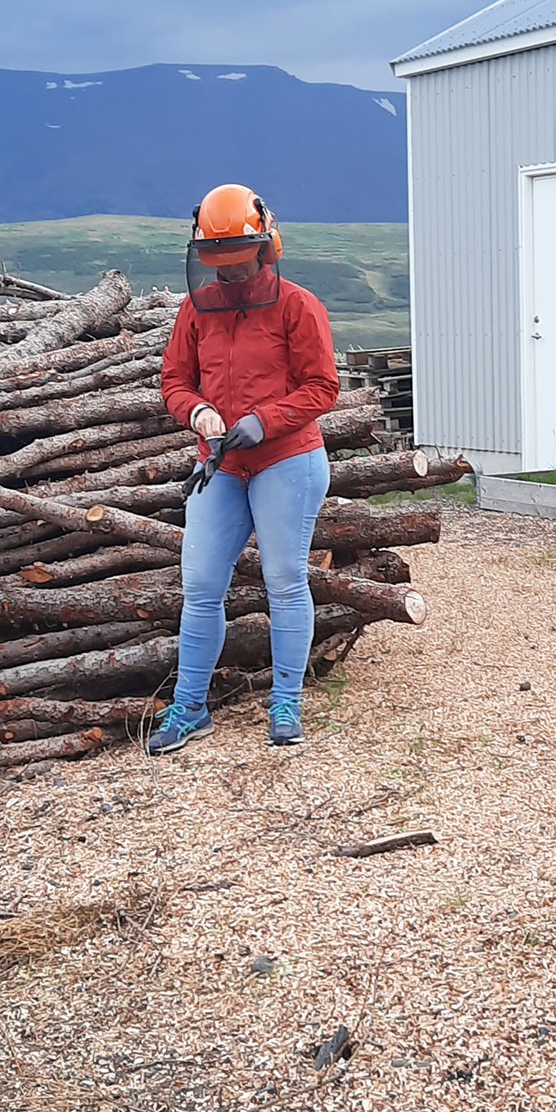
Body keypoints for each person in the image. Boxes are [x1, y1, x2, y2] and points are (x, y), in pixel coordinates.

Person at [148, 183, 340, 754]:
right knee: (201, 584)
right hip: (221, 463)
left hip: (288, 458)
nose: (227, 276)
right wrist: (199, 411)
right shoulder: (196, 310)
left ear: (265, 247)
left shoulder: (297, 305)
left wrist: (267, 418)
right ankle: (188, 708)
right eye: (217, 265)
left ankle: (285, 700)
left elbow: (323, 387)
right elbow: (174, 382)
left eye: (237, 263)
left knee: (284, 580)